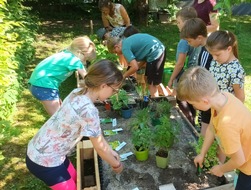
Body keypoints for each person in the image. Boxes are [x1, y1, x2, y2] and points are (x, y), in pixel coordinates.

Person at [26, 59, 124, 190]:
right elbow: (99, 148)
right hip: (43, 161)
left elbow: (98, 136)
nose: (113, 94)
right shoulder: (89, 111)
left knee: (77, 179)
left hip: (45, 149)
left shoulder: (78, 92)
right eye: (114, 90)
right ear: (104, 85)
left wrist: (111, 151)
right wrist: (116, 165)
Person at [176, 66, 251, 190]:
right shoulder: (223, 98)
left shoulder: (226, 125)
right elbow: (211, 128)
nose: (194, 107)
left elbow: (239, 160)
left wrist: (220, 169)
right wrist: (202, 153)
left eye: (193, 104)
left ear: (205, 101)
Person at [28, 36, 96, 116]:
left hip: (37, 83)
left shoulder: (66, 53)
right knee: (58, 118)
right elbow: (87, 78)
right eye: (85, 59)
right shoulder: (74, 60)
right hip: (44, 85)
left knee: (60, 112)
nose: (84, 62)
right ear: (79, 53)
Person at [180, 18, 213, 135]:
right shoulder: (205, 48)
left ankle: (204, 142)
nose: (189, 44)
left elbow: (203, 73)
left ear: (199, 38)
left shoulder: (207, 51)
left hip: (207, 94)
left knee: (207, 123)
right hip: (207, 94)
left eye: (189, 41)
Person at [167, 7, 199, 126]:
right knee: (192, 102)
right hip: (195, 73)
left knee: (182, 101)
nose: (177, 25)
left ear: (186, 22)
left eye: (178, 22)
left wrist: (171, 79)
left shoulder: (184, 41)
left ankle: (189, 126)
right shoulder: (196, 36)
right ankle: (193, 123)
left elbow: (180, 63)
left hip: (185, 75)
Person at [107, 33, 166, 97]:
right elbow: (143, 58)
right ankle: (150, 96)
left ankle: (155, 101)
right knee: (146, 78)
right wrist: (135, 68)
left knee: (152, 84)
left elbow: (135, 67)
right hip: (155, 50)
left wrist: (124, 76)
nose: (117, 54)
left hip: (155, 52)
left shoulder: (125, 48)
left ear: (116, 46)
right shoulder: (126, 42)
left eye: (115, 52)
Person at [206, 30, 245, 103]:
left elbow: (240, 98)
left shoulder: (236, 71)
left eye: (217, 54)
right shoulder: (216, 61)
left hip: (227, 111)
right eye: (212, 55)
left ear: (229, 49)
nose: (214, 58)